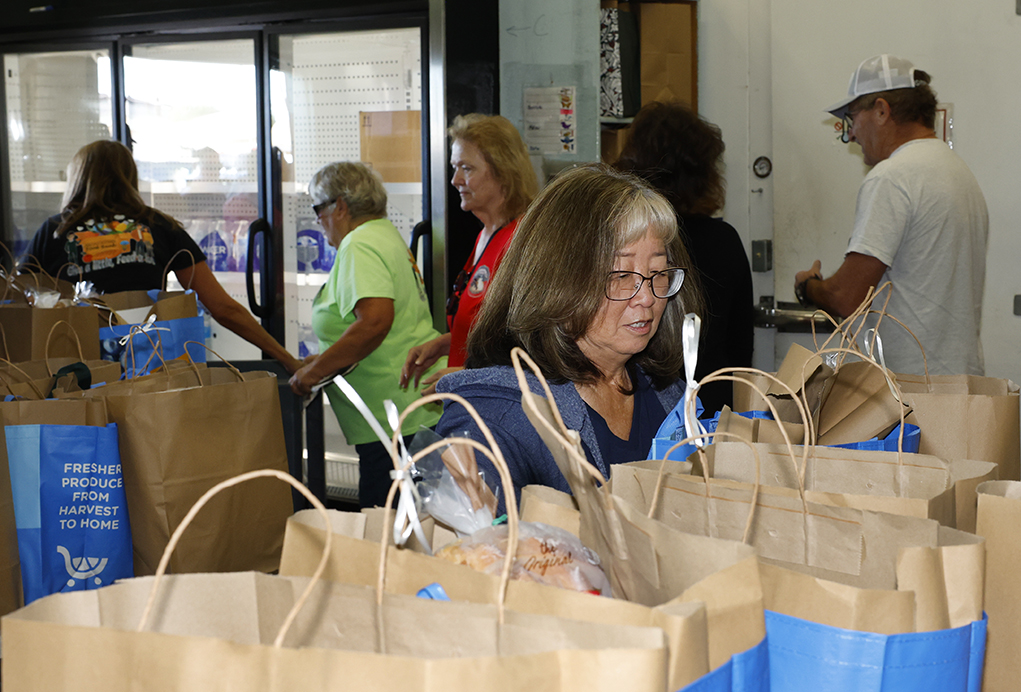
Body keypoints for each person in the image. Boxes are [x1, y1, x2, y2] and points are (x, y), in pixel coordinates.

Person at [434, 164, 702, 511]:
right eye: (621, 274)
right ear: (558, 280)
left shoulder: (669, 395)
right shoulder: (499, 417)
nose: (647, 297)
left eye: (658, 273)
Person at [23, 139, 300, 373]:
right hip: (149, 370)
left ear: (78, 178)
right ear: (129, 178)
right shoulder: (159, 226)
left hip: (78, 372)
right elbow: (223, 307)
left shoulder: (55, 231)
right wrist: (287, 359)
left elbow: (20, 303)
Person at [794, 55, 988, 376]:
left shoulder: (892, 177)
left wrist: (808, 287)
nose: (851, 134)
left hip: (908, 388)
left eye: (851, 117)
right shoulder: (959, 173)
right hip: (957, 382)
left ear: (882, 110)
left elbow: (846, 298)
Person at [288, 161, 446, 508]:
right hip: (412, 408)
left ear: (339, 206)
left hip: (393, 417)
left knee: (387, 539)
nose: (318, 220)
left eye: (319, 209)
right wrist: (327, 359)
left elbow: (374, 323)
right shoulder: (384, 234)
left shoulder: (358, 244)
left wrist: (312, 375)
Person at [615, 100, 754, 414]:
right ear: (704, 171)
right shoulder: (724, 241)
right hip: (713, 406)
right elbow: (741, 348)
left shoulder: (620, 238)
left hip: (640, 402)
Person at [399, 113, 538, 394]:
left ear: (504, 172)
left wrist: (466, 375)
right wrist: (444, 344)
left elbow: (530, 350)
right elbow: (488, 331)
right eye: (454, 167)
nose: (455, 180)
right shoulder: (486, 234)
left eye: (467, 168)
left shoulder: (522, 242)